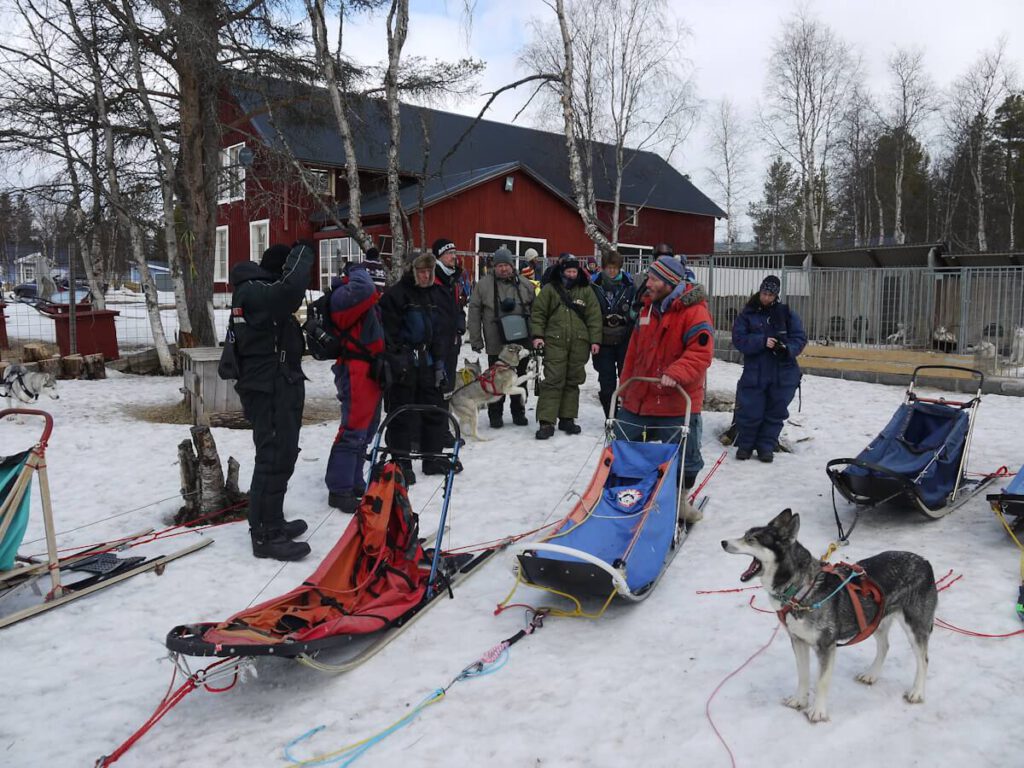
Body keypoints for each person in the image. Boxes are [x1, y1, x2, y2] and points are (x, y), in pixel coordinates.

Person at [229, 242, 315, 562]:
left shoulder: (261, 292)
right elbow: (288, 293)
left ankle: (274, 521)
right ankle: (264, 534)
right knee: (272, 456)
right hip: (267, 388)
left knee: (284, 455)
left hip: (279, 384)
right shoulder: (254, 291)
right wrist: (304, 253)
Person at [616, 255, 714, 502]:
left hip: (676, 401)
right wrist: (624, 388)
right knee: (623, 447)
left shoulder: (695, 313)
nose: (647, 283)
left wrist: (675, 373)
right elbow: (633, 353)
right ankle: (624, 495)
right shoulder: (647, 308)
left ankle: (680, 500)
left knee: (686, 456)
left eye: (652, 279)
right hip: (639, 396)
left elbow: (700, 353)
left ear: (668, 282)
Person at [379, 251, 461, 483]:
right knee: (402, 414)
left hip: (428, 360)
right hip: (404, 361)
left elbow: (441, 332)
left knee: (434, 410)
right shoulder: (395, 296)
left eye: (429, 271)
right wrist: (397, 360)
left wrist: (439, 364)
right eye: (422, 272)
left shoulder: (435, 295)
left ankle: (432, 458)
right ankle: (401, 462)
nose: (426, 276)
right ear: (411, 272)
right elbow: (387, 333)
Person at [324, 259, 388, 513]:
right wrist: (357, 268)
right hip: (355, 370)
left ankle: (354, 480)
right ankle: (339, 489)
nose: (379, 291)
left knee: (368, 428)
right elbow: (364, 289)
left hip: (369, 370)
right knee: (353, 429)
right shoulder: (345, 295)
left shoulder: (365, 296)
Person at [731, 275, 807, 463]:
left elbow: (799, 338)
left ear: (776, 295)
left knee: (775, 412)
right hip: (755, 371)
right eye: (764, 293)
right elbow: (739, 339)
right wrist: (762, 342)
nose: (766, 297)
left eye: (770, 294)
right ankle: (745, 445)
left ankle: (766, 446)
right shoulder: (748, 314)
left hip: (782, 371)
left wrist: (786, 349)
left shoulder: (787, 314)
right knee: (750, 410)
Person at [530, 255, 603, 439]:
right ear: (562, 272)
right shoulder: (550, 289)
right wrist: (538, 336)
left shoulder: (586, 291)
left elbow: (594, 316)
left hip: (579, 343)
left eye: (574, 271)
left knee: (573, 380)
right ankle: (546, 421)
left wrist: (595, 340)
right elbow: (538, 313)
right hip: (554, 341)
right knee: (553, 379)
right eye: (569, 271)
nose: (572, 274)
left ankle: (567, 418)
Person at [466, 246, 536, 428]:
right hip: (496, 342)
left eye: (507, 265)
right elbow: (474, 313)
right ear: (494, 267)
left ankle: (518, 412)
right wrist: (476, 339)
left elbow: (536, 311)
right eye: (500, 265)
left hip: (520, 343)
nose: (504, 269)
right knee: (496, 380)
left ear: (512, 266)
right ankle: (495, 415)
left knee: (519, 377)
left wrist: (536, 336)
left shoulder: (525, 284)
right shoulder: (483, 285)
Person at [590, 251, 636, 417]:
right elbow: (590, 311)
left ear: (620, 268)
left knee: (626, 378)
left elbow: (636, 309)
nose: (611, 271)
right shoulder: (595, 285)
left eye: (615, 268)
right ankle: (610, 416)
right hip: (603, 340)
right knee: (606, 380)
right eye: (609, 268)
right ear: (603, 268)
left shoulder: (629, 285)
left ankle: (626, 414)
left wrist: (628, 317)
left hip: (624, 340)